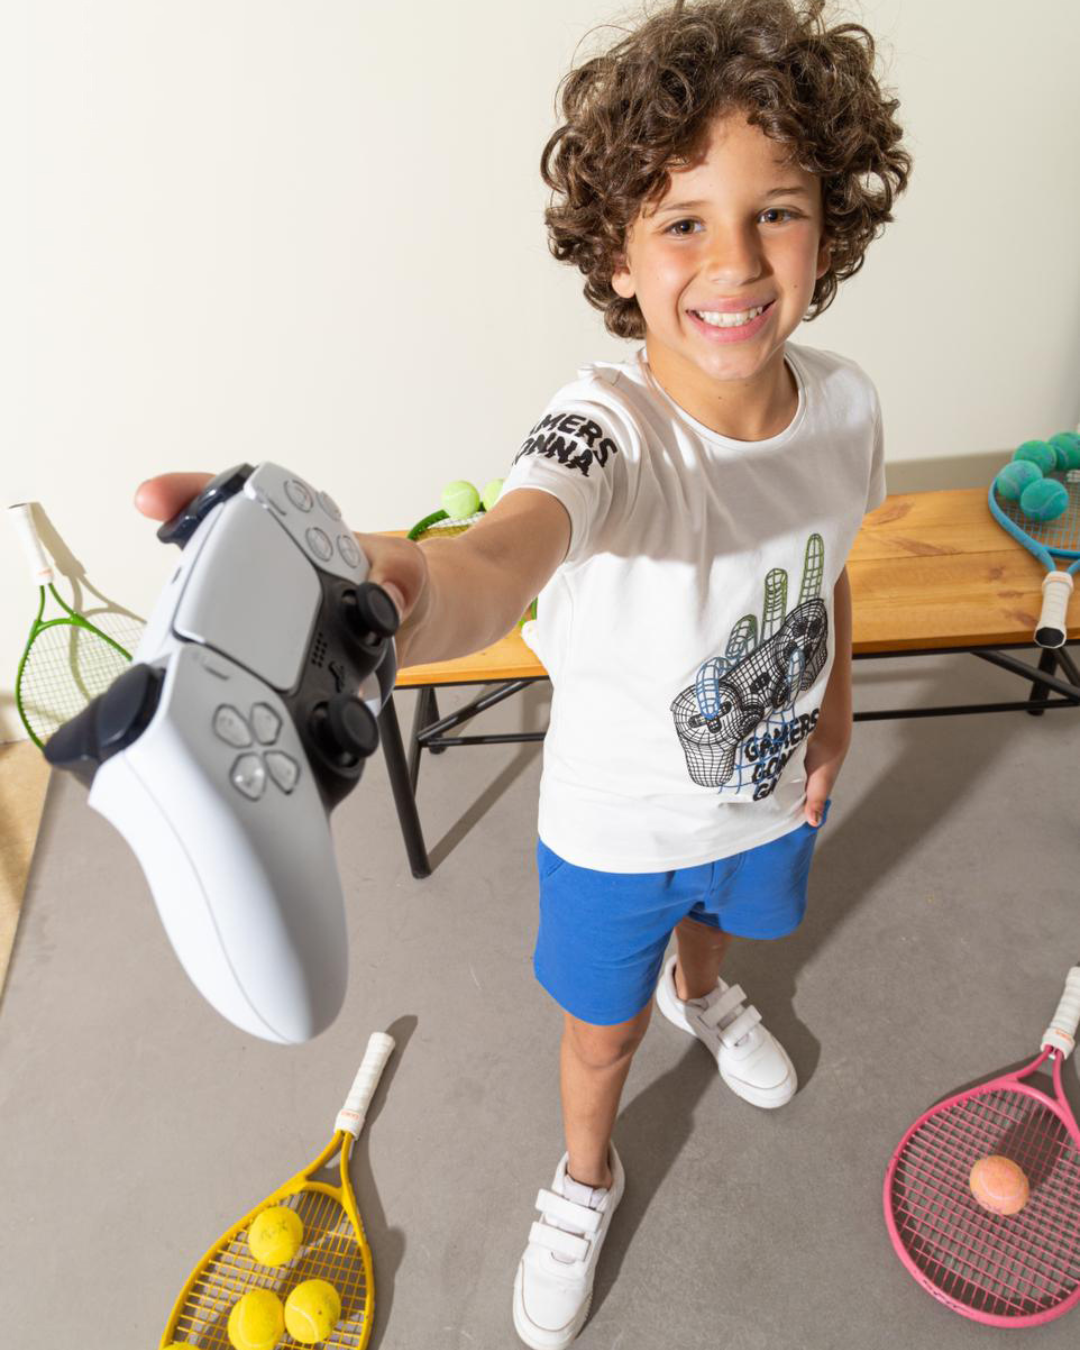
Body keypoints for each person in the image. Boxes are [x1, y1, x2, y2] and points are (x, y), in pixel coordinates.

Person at [136, 2, 911, 1343]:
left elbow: (826, 559)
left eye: (775, 211)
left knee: (718, 933)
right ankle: (585, 1176)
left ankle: (703, 993)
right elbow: (501, 555)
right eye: (683, 222)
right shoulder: (606, 430)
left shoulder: (846, 405)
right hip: (616, 836)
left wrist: (833, 704)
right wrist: (397, 585)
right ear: (617, 252)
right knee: (599, 1038)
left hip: (765, 796)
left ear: (829, 225)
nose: (734, 260)